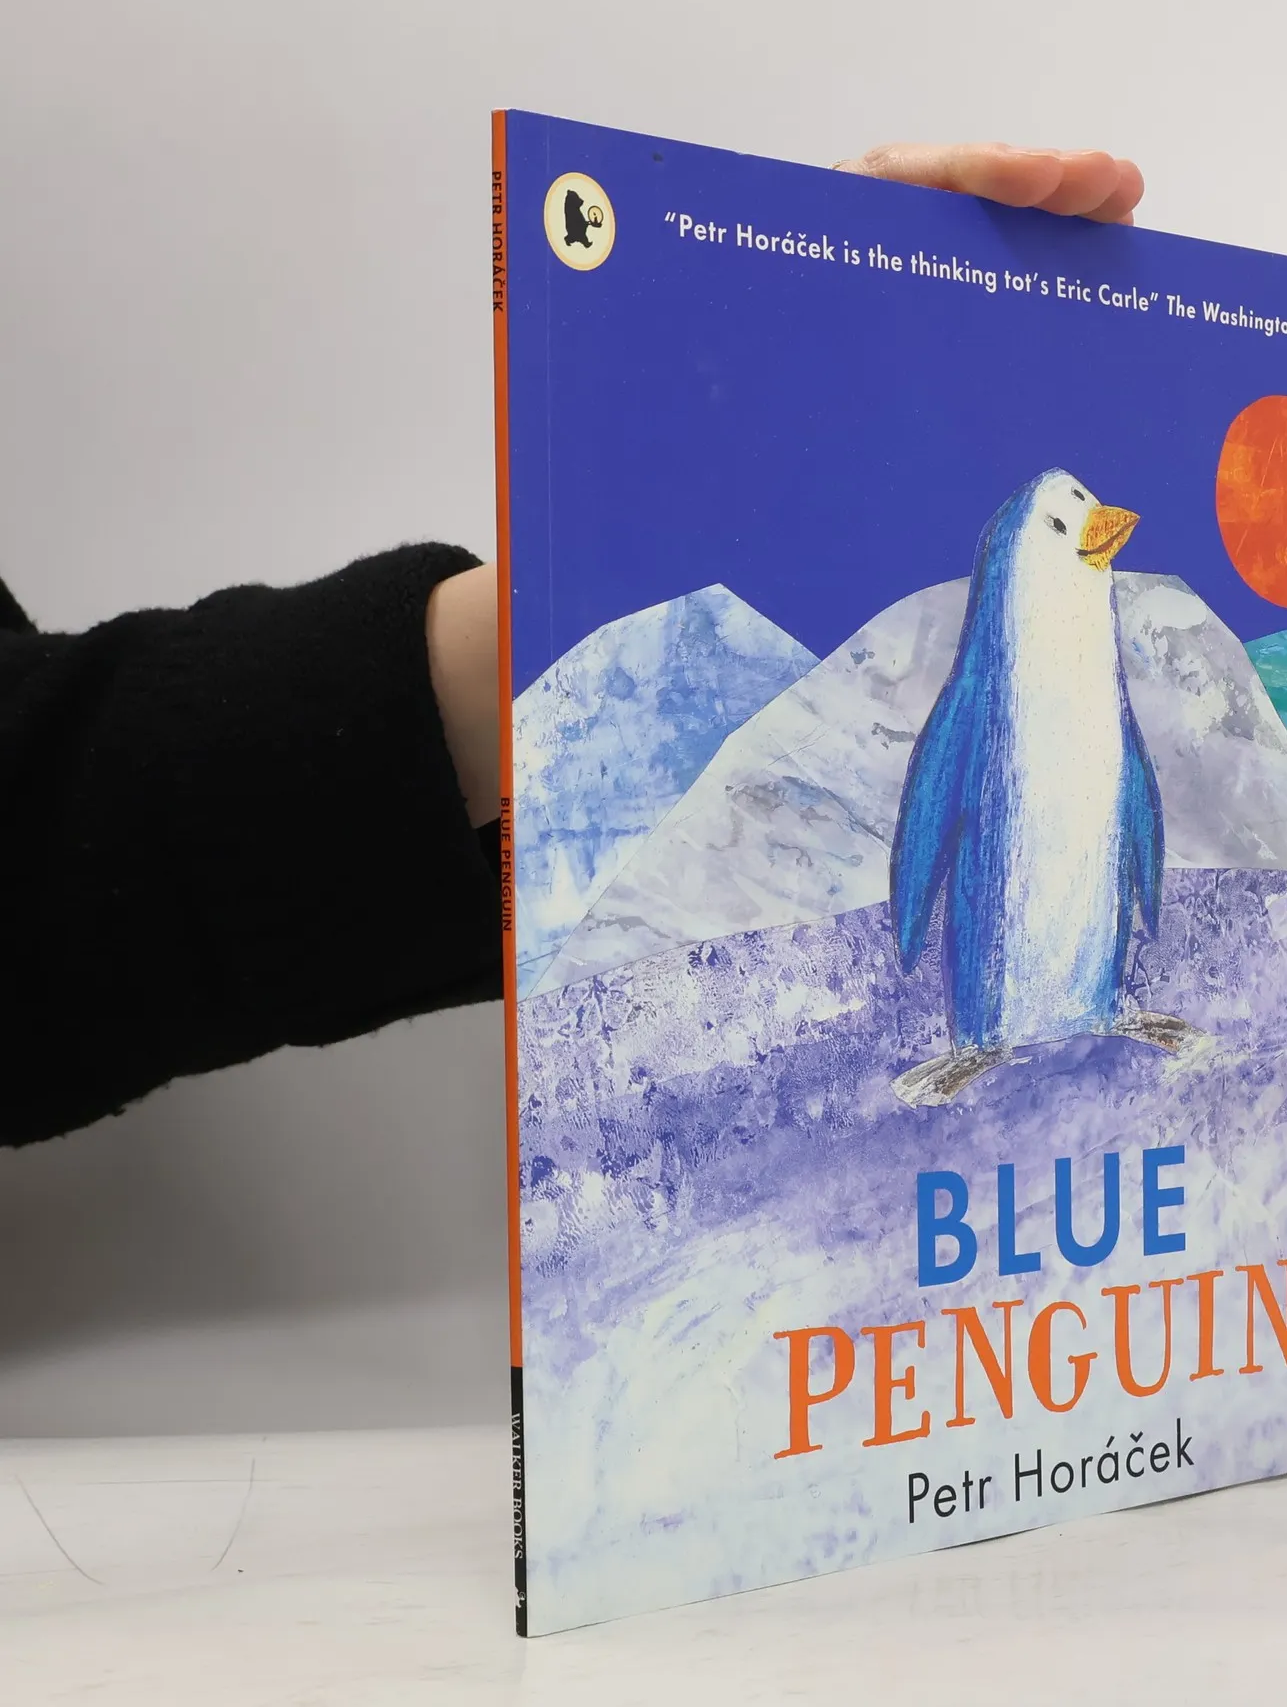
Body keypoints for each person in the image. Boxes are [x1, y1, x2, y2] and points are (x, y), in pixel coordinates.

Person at [0, 143, 1146, 1150]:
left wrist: (640, 543)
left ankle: (1093, 1002)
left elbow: (46, 846)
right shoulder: (1000, 664)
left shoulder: (1079, 645)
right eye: (1064, 526)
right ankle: (994, 1031)